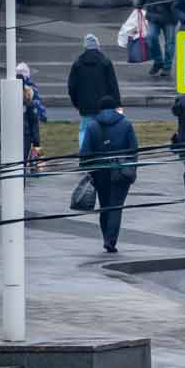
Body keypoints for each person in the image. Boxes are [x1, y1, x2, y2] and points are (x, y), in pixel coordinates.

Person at [79, 96, 138, 253]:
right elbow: (134, 150)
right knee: (116, 207)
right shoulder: (126, 124)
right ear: (115, 108)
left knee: (104, 206)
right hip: (121, 172)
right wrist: (132, 170)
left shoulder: (92, 126)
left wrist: (88, 170)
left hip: (100, 172)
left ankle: (106, 236)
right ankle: (111, 241)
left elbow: (85, 153)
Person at [136, 0, 185, 77]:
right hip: (154, 13)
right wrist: (139, 3)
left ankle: (167, 67)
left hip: (170, 15)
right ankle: (158, 61)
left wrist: (179, 8)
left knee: (170, 43)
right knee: (151, 37)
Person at [67, 34, 120, 144]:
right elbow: (113, 85)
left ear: (85, 47)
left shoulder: (78, 63)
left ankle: (84, 155)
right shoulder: (105, 62)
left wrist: (76, 103)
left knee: (85, 130)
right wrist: (117, 104)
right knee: (104, 131)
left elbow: (72, 86)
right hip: (103, 106)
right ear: (97, 46)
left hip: (85, 105)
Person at [0, 84, 43, 177]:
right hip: (7, 140)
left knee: (21, 169)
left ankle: (20, 189)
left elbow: (34, 124)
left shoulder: (29, 104)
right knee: (7, 168)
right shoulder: (4, 103)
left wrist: (36, 144)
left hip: (24, 140)